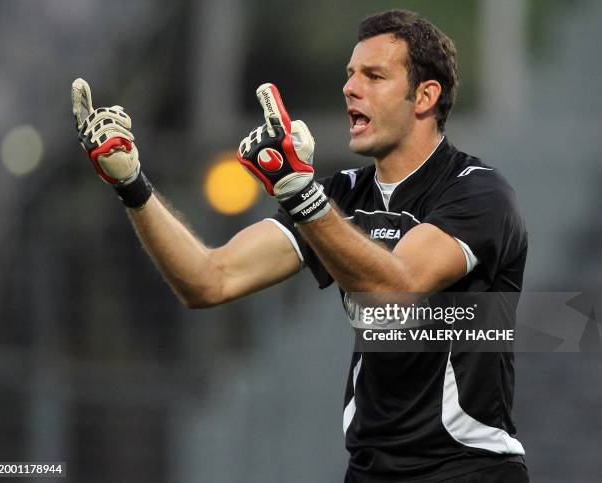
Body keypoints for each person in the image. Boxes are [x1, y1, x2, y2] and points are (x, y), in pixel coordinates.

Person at [72, 9, 529, 483]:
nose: (351, 88)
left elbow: (396, 292)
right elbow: (209, 280)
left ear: (425, 96)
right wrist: (133, 186)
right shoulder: (341, 195)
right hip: (370, 471)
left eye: (374, 76)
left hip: (468, 471)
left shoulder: (478, 192)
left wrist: (301, 195)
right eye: (350, 75)